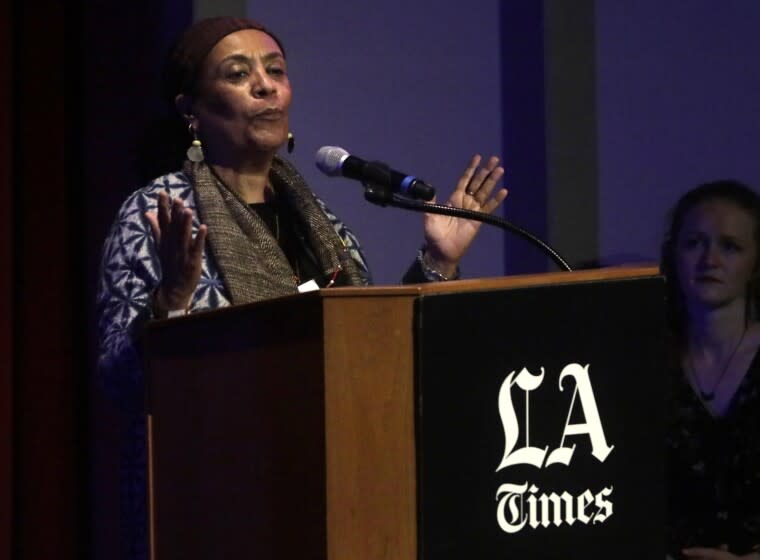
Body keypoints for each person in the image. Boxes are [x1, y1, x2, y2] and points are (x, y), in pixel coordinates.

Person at [96, 16, 507, 560]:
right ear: (190, 110)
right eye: (239, 74)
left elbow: (373, 352)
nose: (265, 85)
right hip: (210, 507)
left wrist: (437, 259)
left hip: (335, 494)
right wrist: (170, 302)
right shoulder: (158, 213)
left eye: (276, 71)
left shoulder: (324, 226)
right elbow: (118, 383)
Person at [662, 180, 760, 560]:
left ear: (757, 264)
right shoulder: (645, 365)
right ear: (674, 254)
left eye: (730, 246)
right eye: (694, 243)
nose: (710, 260)